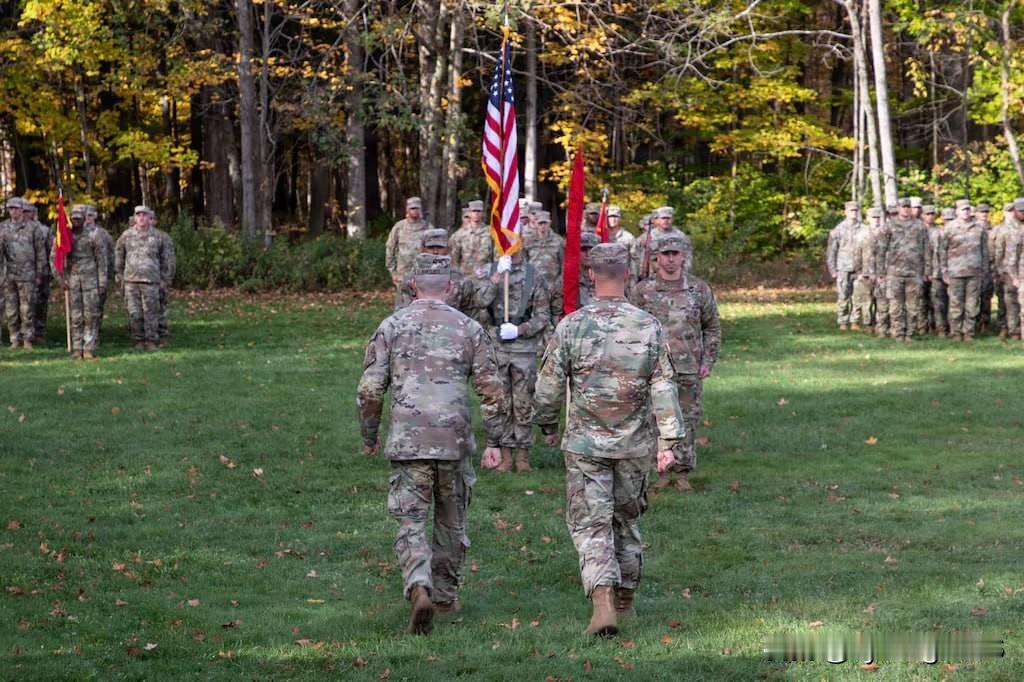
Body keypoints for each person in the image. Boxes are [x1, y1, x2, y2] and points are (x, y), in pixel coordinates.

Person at [533, 242, 685, 637]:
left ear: (591, 277)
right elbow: (664, 385)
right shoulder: (647, 324)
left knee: (591, 522)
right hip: (634, 443)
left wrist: (546, 424)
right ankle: (625, 599)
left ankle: (602, 597)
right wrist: (669, 440)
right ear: (628, 275)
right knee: (628, 517)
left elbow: (548, 385)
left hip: (586, 444)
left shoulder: (572, 325)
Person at [357, 253, 507, 634]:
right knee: (451, 519)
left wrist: (369, 434)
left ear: (411, 286)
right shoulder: (469, 327)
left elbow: (370, 389)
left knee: (410, 519)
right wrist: (496, 440)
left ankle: (418, 583)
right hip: (453, 440)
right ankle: (443, 595)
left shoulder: (391, 326)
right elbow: (492, 390)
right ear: (452, 288)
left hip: (409, 440)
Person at [631, 234, 720, 492]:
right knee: (653, 419)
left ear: (683, 256)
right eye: (665, 254)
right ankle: (660, 470)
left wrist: (708, 361)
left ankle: (682, 472)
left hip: (688, 368)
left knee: (687, 421)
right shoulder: (643, 292)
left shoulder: (698, 289)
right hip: (653, 369)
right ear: (656, 258)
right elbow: (632, 330)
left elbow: (712, 327)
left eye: (675, 254)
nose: (670, 260)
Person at [472, 249, 551, 473]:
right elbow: (478, 301)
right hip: (495, 346)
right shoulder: (488, 271)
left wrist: (520, 329)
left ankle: (523, 455)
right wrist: (496, 278)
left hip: (523, 348)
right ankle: (505, 454)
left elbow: (543, 315)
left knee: (523, 401)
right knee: (501, 401)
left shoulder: (535, 275)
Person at [52, 204, 108, 359]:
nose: (76, 221)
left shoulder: (94, 235)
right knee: (76, 316)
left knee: (91, 315)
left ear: (84, 219)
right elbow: (54, 258)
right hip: (73, 281)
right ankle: (77, 347)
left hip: (91, 281)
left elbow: (102, 261)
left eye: (79, 218)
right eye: (74, 218)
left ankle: (88, 347)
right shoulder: (65, 235)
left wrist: (102, 283)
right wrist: (60, 279)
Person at [115, 206, 174, 351]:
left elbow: (167, 260)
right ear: (134, 218)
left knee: (151, 312)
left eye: (144, 215)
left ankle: (151, 340)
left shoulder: (159, 236)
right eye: (138, 215)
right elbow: (119, 256)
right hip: (131, 281)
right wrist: (120, 276)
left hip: (151, 281)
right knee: (134, 313)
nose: (141, 217)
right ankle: (138, 340)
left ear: (150, 218)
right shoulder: (126, 236)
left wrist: (165, 280)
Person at [878, 198, 928, 341]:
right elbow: (881, 249)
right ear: (898, 208)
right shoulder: (889, 226)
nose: (906, 209)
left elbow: (927, 250)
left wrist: (927, 271)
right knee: (895, 305)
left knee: (913, 306)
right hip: (894, 273)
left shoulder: (920, 226)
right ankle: (898, 333)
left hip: (914, 273)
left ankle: (910, 333)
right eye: (903, 207)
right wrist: (881, 271)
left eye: (908, 207)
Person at [0, 198, 46, 348]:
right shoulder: (3, 227)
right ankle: (14, 339)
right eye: (10, 208)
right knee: (11, 310)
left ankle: (27, 339)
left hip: (28, 275)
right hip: (9, 275)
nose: (13, 211)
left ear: (21, 209)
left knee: (27, 309)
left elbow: (40, 252)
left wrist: (40, 273)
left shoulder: (33, 228)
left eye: (15, 208)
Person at [394, 229, 474, 313]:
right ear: (423, 249)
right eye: (431, 247)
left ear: (448, 248)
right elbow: (401, 310)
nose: (435, 252)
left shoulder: (459, 277)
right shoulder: (411, 278)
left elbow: (468, 310)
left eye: (440, 247)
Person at [941, 200, 987, 342]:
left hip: (974, 272)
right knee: (956, 303)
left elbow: (984, 251)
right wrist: (944, 271)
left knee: (972, 304)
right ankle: (956, 332)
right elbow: (942, 251)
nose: (965, 212)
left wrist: (984, 270)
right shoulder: (949, 228)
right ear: (957, 211)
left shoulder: (979, 228)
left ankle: (969, 332)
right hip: (955, 272)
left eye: (967, 209)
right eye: (962, 210)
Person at [524, 209, 564, 330]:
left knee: (556, 315)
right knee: (536, 316)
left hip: (554, 286)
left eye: (545, 223)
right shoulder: (528, 241)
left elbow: (564, 264)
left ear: (549, 223)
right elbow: (524, 264)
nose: (542, 226)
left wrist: (559, 283)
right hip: (534, 286)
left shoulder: (558, 241)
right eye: (540, 223)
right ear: (535, 224)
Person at [826, 201, 863, 331]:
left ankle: (855, 321)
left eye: (856, 210)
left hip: (859, 268)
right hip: (843, 267)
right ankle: (842, 320)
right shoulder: (838, 230)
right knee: (843, 295)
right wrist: (833, 270)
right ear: (846, 212)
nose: (854, 213)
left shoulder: (863, 229)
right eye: (851, 211)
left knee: (857, 296)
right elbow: (831, 251)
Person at [991, 200, 1022, 339]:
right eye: (1020, 211)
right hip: (1008, 272)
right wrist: (999, 271)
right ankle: (1012, 330)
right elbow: (998, 253)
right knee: (1010, 303)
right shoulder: (1002, 229)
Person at [385, 197, 433, 289]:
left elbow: (435, 251)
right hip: (402, 274)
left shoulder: (428, 228)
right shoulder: (399, 227)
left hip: (423, 274)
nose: (414, 211)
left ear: (421, 209)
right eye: (412, 208)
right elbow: (390, 248)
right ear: (407, 210)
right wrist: (393, 272)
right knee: (403, 301)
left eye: (417, 208)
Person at [25, 203, 54, 343]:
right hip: (22, 273)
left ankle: (40, 332)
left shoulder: (44, 230)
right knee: (25, 305)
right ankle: (24, 333)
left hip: (41, 273)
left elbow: (51, 251)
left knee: (40, 304)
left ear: (34, 212)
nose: (26, 214)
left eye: (28, 211)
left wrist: (47, 271)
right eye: (23, 211)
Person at [85, 206, 115, 337]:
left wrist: (106, 278)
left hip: (98, 277)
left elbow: (111, 255)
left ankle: (95, 334)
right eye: (85, 216)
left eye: (90, 216)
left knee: (96, 308)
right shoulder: (74, 233)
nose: (87, 219)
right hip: (81, 277)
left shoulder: (103, 234)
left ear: (95, 216)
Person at [852, 207, 881, 331]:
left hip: (881, 272)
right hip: (866, 272)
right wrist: (858, 272)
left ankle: (880, 324)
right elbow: (856, 254)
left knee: (880, 300)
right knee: (865, 299)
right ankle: (866, 324)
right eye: (873, 217)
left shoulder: (885, 233)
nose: (876, 220)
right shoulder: (861, 234)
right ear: (868, 218)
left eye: (878, 217)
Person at [922, 206, 948, 336]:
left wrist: (937, 272)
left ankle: (940, 328)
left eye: (932, 213)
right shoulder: (917, 230)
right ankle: (922, 328)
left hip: (936, 273)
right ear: (922, 215)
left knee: (938, 302)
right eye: (927, 214)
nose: (930, 216)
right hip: (918, 271)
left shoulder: (939, 232)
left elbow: (941, 254)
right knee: (921, 301)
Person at [449, 200, 493, 276]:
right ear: (469, 213)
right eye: (473, 211)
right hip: (465, 275)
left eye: (479, 211)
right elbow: (454, 258)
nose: (476, 213)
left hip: (485, 275)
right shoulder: (460, 234)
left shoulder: (490, 232)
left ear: (483, 213)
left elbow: (496, 255)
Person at [576, 232, 599, 307]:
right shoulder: (569, 280)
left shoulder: (604, 278)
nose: (588, 254)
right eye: (583, 249)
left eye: (591, 249)